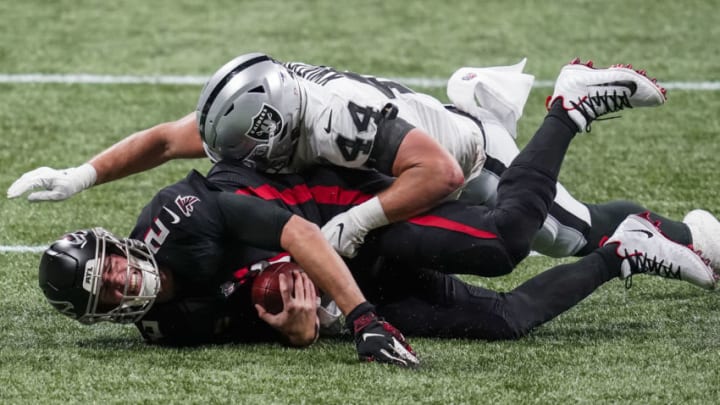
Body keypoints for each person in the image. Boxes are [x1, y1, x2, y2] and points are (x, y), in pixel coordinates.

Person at [37, 70, 719, 364]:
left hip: (368, 204)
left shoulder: (189, 213)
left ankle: (560, 107)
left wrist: (362, 318)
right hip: (348, 263)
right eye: (110, 289)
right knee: (524, 295)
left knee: (513, 236)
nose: (125, 281)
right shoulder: (165, 327)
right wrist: (302, 328)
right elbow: (262, 303)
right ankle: (630, 250)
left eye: (116, 266)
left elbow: (300, 235)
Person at [8, 55, 682, 266]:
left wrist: (356, 223)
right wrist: (80, 175)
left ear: (271, 121)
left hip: (459, 154)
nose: (240, 162)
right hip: (407, 142)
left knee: (557, 232)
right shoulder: (260, 105)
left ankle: (567, 102)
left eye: (247, 149)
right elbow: (163, 139)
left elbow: (439, 175)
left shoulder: (332, 124)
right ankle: (483, 97)